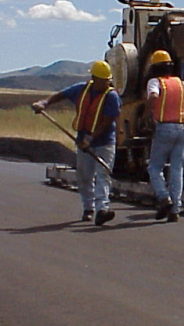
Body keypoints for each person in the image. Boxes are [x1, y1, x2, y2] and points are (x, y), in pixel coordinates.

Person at [32, 60, 121, 226]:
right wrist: (44, 103)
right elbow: (61, 95)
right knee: (84, 176)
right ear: (94, 78)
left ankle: (102, 209)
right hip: (83, 142)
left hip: (105, 143)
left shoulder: (112, 96)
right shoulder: (81, 89)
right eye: (103, 80)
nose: (106, 82)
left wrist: (91, 138)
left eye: (108, 79)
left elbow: (108, 121)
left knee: (103, 175)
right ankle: (89, 207)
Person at [144, 50, 184, 222]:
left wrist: (146, 115)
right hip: (182, 128)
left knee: (155, 168)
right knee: (177, 169)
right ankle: (175, 210)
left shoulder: (155, 82)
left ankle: (164, 198)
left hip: (164, 128)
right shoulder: (181, 83)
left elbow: (154, 96)